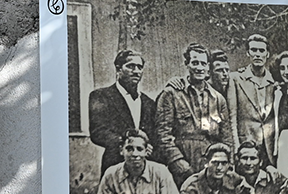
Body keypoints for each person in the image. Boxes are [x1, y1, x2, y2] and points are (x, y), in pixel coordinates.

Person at [154, 44, 232, 184]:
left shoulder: (218, 98)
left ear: (208, 67)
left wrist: (227, 164)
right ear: (187, 64)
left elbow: (226, 137)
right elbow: (162, 134)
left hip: (211, 164)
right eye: (195, 63)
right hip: (183, 159)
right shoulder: (172, 94)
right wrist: (177, 161)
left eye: (203, 63)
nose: (199, 68)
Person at [86, 48, 152, 175]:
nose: (136, 71)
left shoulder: (148, 102)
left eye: (139, 67)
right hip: (115, 165)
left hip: (144, 166)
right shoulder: (101, 96)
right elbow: (98, 132)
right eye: (131, 66)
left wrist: (148, 146)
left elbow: (153, 133)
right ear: (118, 69)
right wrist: (126, 141)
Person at [229, 33, 278, 165]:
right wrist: (236, 149)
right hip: (246, 147)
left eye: (261, 50)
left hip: (270, 147)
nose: (257, 54)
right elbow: (232, 118)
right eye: (254, 50)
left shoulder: (275, 81)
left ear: (267, 54)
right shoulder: (235, 79)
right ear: (247, 53)